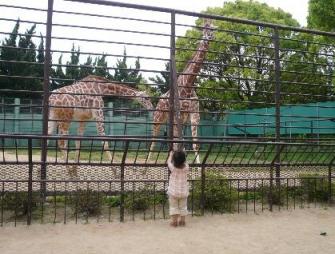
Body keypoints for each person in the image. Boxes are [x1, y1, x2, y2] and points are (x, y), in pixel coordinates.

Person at [167, 150, 189, 227]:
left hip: (173, 192)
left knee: (174, 207)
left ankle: (174, 222)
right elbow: (185, 162)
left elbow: (169, 162)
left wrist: (170, 155)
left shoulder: (173, 168)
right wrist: (184, 155)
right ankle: (182, 221)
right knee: (183, 207)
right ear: (184, 160)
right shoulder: (186, 168)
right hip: (184, 193)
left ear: (174, 160)